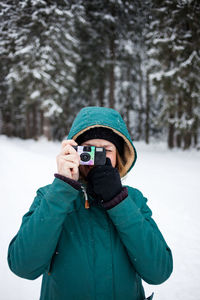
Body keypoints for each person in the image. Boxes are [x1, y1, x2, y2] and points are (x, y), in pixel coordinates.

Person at [8, 107, 173, 300]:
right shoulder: (50, 195)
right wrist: (62, 189)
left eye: (106, 151)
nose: (96, 158)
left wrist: (118, 201)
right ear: (74, 153)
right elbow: (23, 266)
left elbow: (159, 271)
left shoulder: (133, 199)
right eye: (88, 150)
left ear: (118, 156)